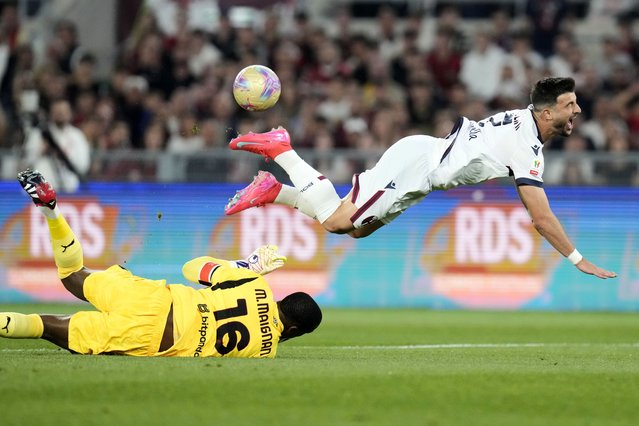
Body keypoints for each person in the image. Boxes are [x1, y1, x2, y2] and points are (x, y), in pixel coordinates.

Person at [224, 77, 616, 280]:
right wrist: (577, 258)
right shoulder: (525, 148)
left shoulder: (526, 119)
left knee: (355, 230)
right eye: (570, 104)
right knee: (337, 222)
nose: (577, 110)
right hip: (416, 166)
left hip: (424, 168)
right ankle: (281, 150)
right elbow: (541, 219)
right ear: (546, 114)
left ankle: (275, 189)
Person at [1, 169, 322, 357]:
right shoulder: (265, 352)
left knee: (73, 275)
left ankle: (52, 213)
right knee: (43, 326)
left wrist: (246, 267)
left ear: (282, 298)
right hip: (153, 335)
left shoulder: (256, 284)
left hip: (155, 296)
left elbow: (191, 269)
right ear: (293, 330)